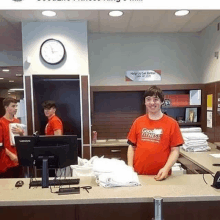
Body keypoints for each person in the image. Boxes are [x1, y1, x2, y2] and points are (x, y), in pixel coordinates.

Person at [127, 86, 184, 181]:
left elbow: (175, 150)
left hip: (162, 175)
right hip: (139, 175)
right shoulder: (138, 122)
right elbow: (131, 147)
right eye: (148, 99)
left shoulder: (172, 123)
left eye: (156, 99)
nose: (152, 103)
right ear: (145, 102)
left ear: (161, 101)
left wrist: (166, 168)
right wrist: (129, 167)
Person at [0, 97, 24, 178]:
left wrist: (21, 133)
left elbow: (22, 140)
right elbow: (0, 145)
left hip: (18, 159)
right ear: (6, 107)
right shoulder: (1, 122)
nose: (15, 108)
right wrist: (11, 155)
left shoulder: (17, 121)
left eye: (16, 106)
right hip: (6, 161)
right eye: (13, 106)